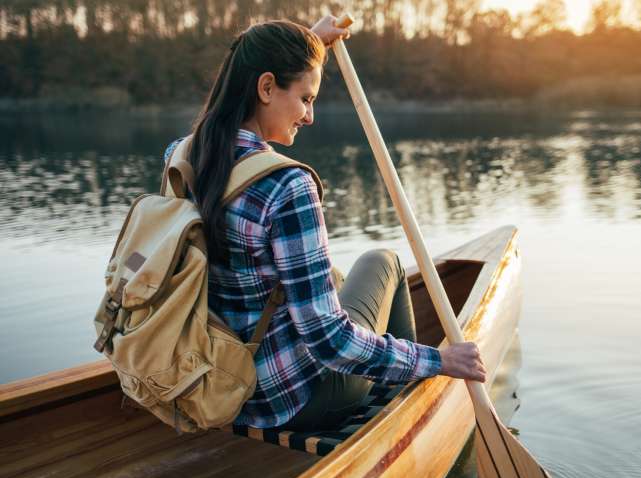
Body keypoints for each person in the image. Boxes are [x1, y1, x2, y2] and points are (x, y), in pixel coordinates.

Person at [163, 16, 486, 431]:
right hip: (292, 399)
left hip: (219, 383)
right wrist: (438, 359)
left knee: (332, 276)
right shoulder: (287, 186)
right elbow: (330, 343)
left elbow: (234, 98)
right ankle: (404, 406)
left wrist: (309, 45)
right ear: (265, 88)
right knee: (382, 261)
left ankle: (401, 376)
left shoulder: (184, 157)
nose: (309, 116)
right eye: (306, 98)